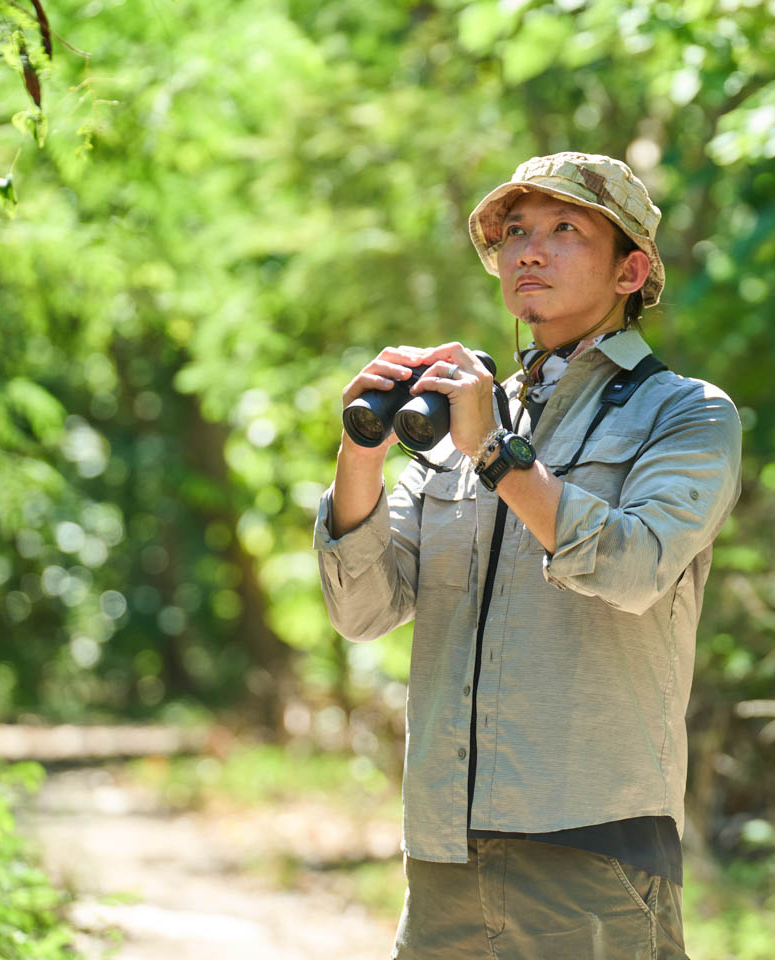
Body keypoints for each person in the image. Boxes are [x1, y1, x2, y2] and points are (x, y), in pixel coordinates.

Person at [314, 152, 742, 959]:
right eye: (514, 232)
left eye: (564, 229)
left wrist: (500, 459)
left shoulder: (685, 414)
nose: (528, 251)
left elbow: (634, 568)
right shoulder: (461, 419)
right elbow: (362, 609)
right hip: (444, 852)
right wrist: (360, 450)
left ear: (632, 270)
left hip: (593, 849)